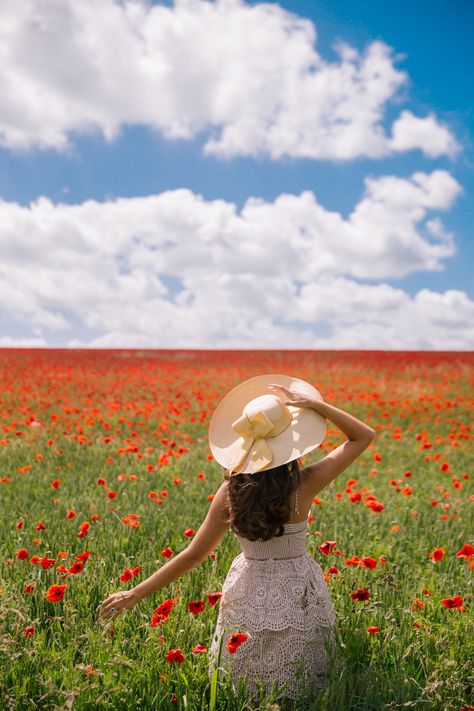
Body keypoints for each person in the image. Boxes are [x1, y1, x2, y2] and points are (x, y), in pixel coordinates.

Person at [96, 374, 376, 708]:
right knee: (302, 682)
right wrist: (316, 406)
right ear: (291, 446)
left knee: (248, 683)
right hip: (298, 586)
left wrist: (136, 592)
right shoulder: (305, 484)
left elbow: (192, 555)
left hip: (248, 588)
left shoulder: (230, 494)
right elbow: (363, 436)